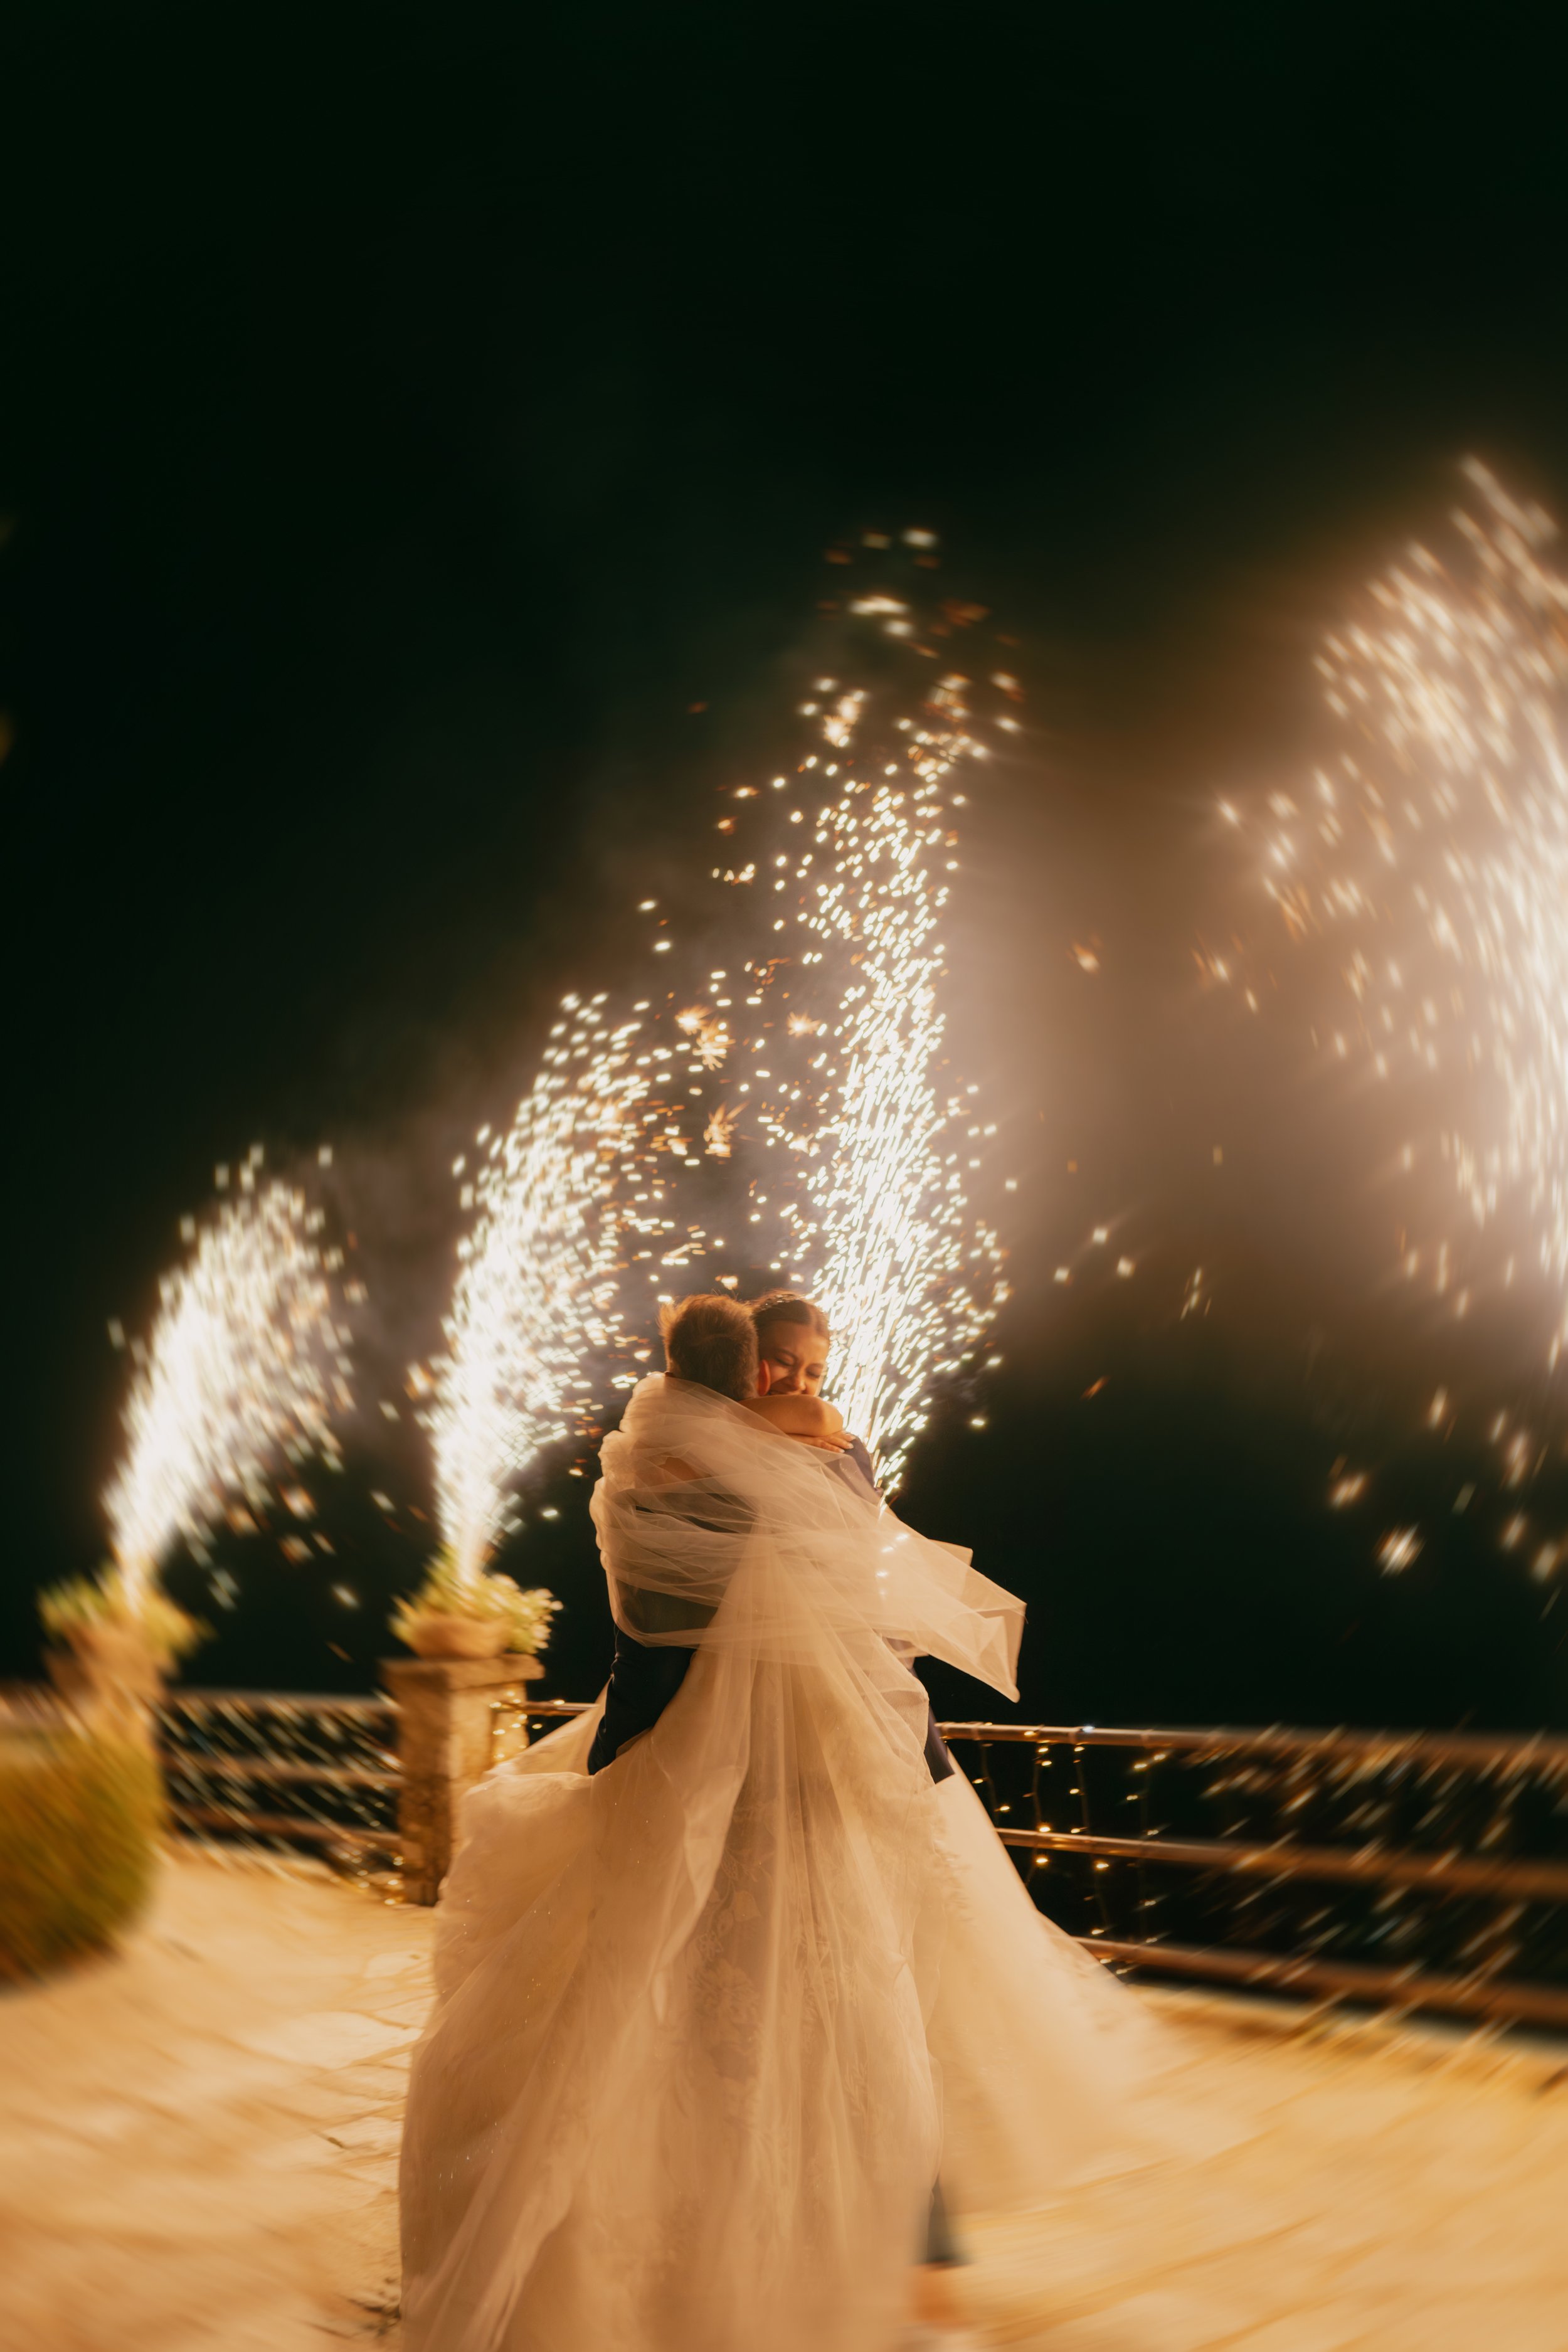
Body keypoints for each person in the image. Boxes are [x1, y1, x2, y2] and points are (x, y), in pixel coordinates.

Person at [399, 1293, 1167, 2352]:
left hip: (817, 1795)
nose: (797, 1386)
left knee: (860, 2015)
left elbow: (845, 1632)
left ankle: (886, 2258)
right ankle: (795, 2261)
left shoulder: (735, 1462)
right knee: (733, 2028)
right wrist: (794, 1432)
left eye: (809, 1369)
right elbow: (685, 1633)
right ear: (744, 1363)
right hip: (722, 1797)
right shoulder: (717, 1471)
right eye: (781, 1367)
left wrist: (795, 1433)